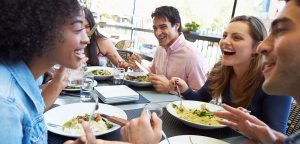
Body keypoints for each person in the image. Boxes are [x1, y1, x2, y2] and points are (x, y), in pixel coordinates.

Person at [0, 0, 161, 143]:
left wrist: (61, 78)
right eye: (78, 29)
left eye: (87, 29)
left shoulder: (24, 76)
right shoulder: (6, 108)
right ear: (42, 30)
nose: (86, 39)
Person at [170, 15, 292, 133]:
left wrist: (249, 125)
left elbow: (277, 135)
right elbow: (201, 99)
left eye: (236, 37)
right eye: (224, 35)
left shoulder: (275, 80)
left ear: (257, 47)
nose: (224, 42)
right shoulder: (221, 69)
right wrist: (185, 88)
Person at [213, 0, 300, 143]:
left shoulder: (272, 80)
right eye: (224, 35)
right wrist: (273, 140)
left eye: (281, 30)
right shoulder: (222, 69)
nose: (262, 47)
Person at [128, 6, 208, 92]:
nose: (157, 33)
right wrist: (139, 66)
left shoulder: (192, 55)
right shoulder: (160, 48)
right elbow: (151, 74)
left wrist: (171, 88)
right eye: (155, 28)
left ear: (176, 26)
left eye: (163, 27)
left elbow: (199, 98)